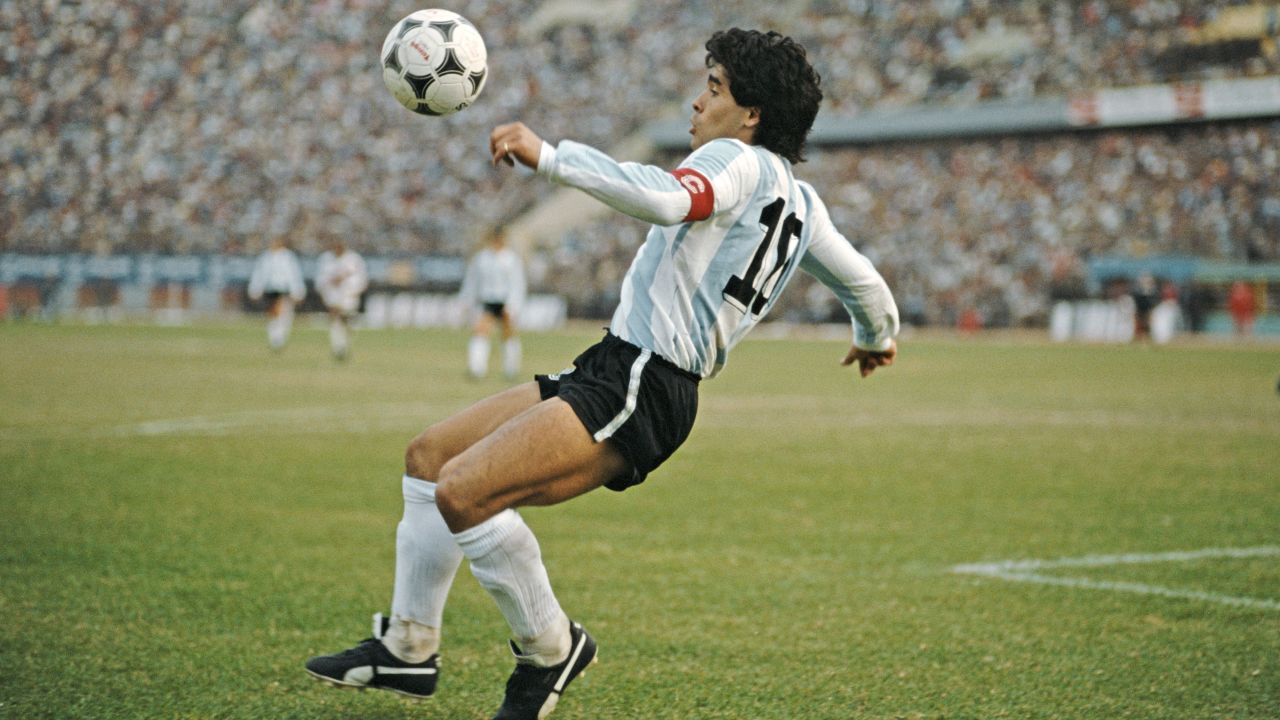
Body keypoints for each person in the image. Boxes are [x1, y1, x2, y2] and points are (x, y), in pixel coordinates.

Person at [304, 28, 899, 720]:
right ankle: (407, 648)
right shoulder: (803, 202)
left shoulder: (734, 160)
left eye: (713, 88)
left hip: (646, 381)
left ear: (752, 113)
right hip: (618, 365)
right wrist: (875, 337)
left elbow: (673, 200)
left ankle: (550, 649)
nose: (697, 102)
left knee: (465, 493)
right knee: (431, 459)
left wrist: (551, 158)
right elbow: (864, 284)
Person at [459, 228, 526, 379]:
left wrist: (513, 305)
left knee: (508, 334)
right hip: (487, 300)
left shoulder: (511, 259)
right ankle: (476, 369)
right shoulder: (482, 258)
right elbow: (472, 281)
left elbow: (517, 284)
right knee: (480, 332)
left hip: (505, 301)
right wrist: (466, 300)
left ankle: (511, 369)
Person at [247, 236, 306, 351]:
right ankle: (275, 338)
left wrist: (298, 291)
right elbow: (259, 274)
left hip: (284, 288)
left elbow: (294, 275)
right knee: (273, 314)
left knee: (285, 314)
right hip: (271, 289)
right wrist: (255, 289)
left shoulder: (288, 257)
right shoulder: (265, 257)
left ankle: (280, 337)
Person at [315, 236, 369, 361]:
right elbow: (320, 279)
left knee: (347, 322)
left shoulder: (354, 259)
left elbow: (361, 277)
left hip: (349, 296)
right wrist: (325, 292)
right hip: (333, 296)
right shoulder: (325, 259)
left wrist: (356, 291)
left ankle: (344, 345)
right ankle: (338, 347)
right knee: (335, 320)